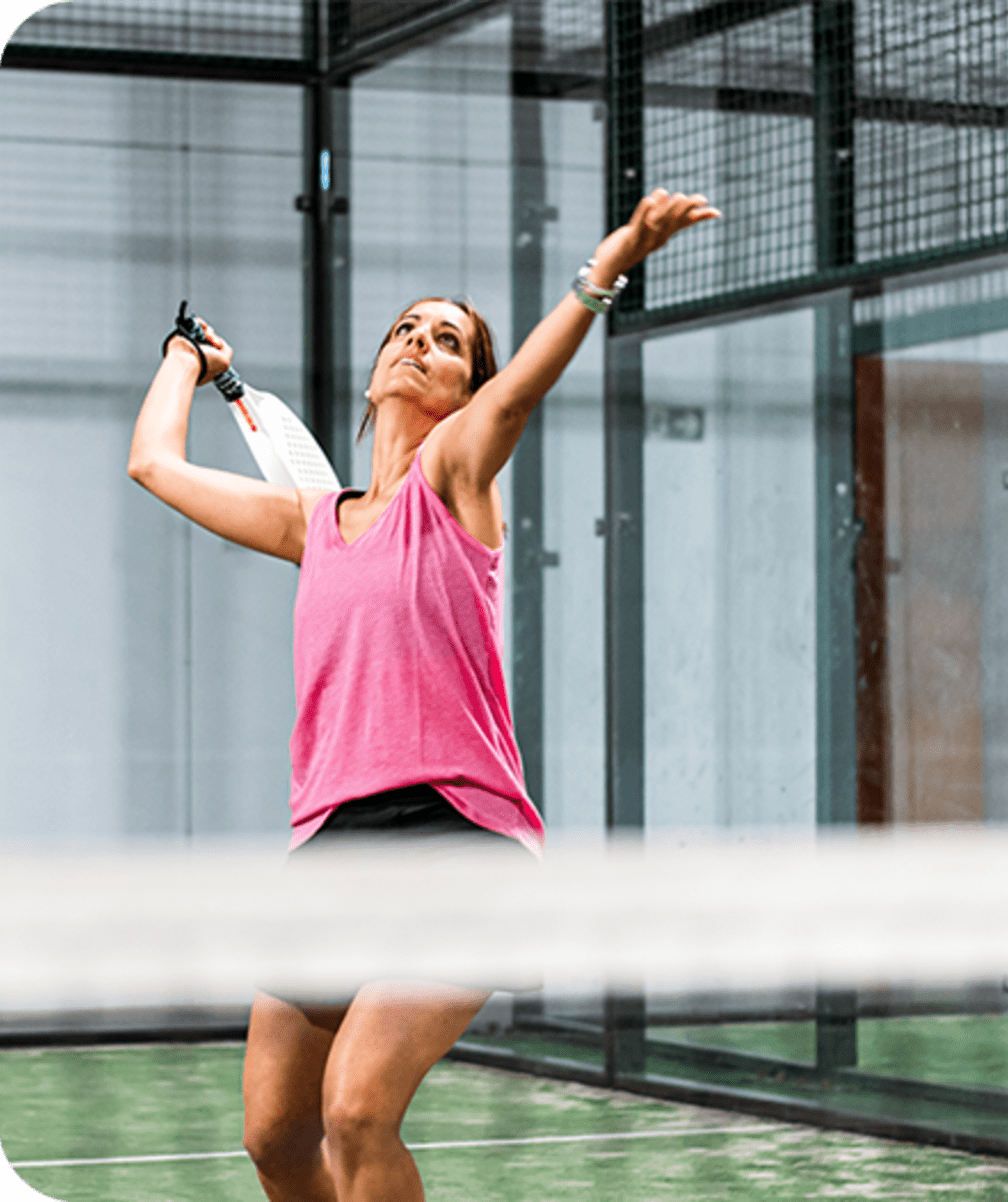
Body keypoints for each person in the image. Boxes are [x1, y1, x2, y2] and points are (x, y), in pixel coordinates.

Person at [127, 187, 720, 1202]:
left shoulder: (454, 481)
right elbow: (153, 462)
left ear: (461, 387)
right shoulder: (313, 524)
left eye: (444, 340)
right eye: (404, 329)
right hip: (332, 844)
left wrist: (607, 265)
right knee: (276, 1133)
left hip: (460, 840)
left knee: (358, 1109)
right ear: (375, 372)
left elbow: (521, 394)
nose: (416, 343)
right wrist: (187, 358)